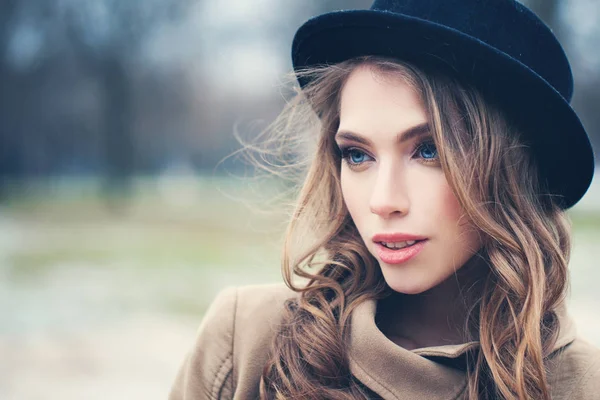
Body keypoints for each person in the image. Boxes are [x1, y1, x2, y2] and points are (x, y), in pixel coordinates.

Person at [169, 0, 600, 399]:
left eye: (428, 150)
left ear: (512, 169)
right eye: (358, 155)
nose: (382, 200)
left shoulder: (579, 383)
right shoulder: (247, 340)